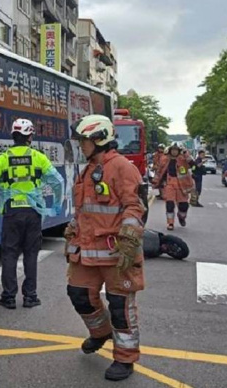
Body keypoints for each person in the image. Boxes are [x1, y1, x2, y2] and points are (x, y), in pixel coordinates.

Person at [63, 114, 146, 381]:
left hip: (116, 252)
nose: (81, 146)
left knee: (120, 307)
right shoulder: (88, 170)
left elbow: (135, 205)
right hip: (85, 251)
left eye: (85, 140)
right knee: (78, 295)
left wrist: (129, 236)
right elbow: (86, 209)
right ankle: (100, 333)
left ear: (100, 139)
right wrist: (73, 228)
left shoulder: (122, 167)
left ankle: (125, 358)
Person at [0, 118, 64, 309]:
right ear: (30, 136)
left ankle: (8, 297)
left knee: (9, 254)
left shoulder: (3, 159)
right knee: (30, 254)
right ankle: (30, 296)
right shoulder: (38, 157)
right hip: (33, 212)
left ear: (13, 136)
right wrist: (57, 203)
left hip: (11, 212)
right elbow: (57, 182)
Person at [153, 143, 194, 230]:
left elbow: (192, 164)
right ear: (170, 150)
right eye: (173, 150)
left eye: (176, 150)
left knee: (184, 206)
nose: (174, 152)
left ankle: (181, 217)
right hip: (170, 183)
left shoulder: (183, 159)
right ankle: (170, 223)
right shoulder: (164, 159)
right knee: (170, 204)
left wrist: (186, 152)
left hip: (182, 185)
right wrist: (155, 181)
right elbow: (159, 171)